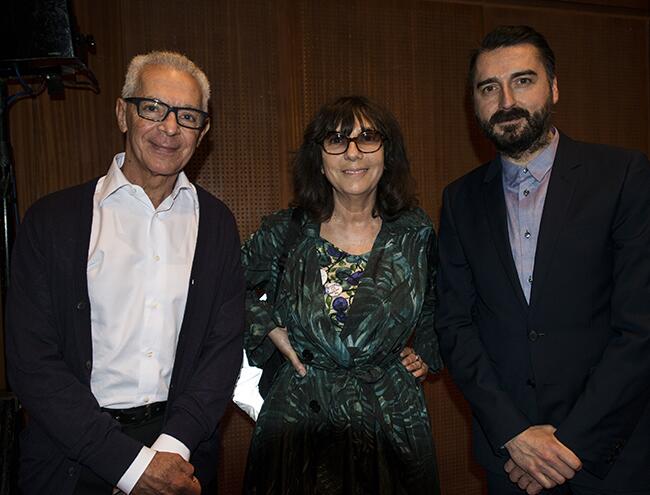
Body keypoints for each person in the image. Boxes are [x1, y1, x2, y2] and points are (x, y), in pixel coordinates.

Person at [6, 51, 244, 495]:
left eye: (187, 116)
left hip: (181, 455)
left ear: (203, 131)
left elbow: (222, 351)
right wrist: (130, 467)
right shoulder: (51, 222)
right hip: (70, 457)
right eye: (153, 108)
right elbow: (30, 361)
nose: (169, 128)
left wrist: (170, 451)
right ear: (123, 113)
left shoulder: (218, 226)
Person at [436, 25, 650, 495]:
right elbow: (454, 327)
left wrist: (567, 446)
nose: (506, 99)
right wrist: (513, 434)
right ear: (474, 103)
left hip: (610, 459)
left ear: (554, 87)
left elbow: (640, 327)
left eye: (523, 80)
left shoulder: (623, 176)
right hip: (510, 461)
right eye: (488, 87)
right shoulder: (459, 200)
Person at [241, 95, 441, 494]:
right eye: (336, 140)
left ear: (388, 152)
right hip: (299, 428)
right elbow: (222, 290)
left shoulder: (415, 234)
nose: (353, 152)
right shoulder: (285, 231)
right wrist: (267, 327)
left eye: (367, 137)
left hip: (392, 424)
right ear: (319, 157)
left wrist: (430, 353)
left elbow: (443, 303)